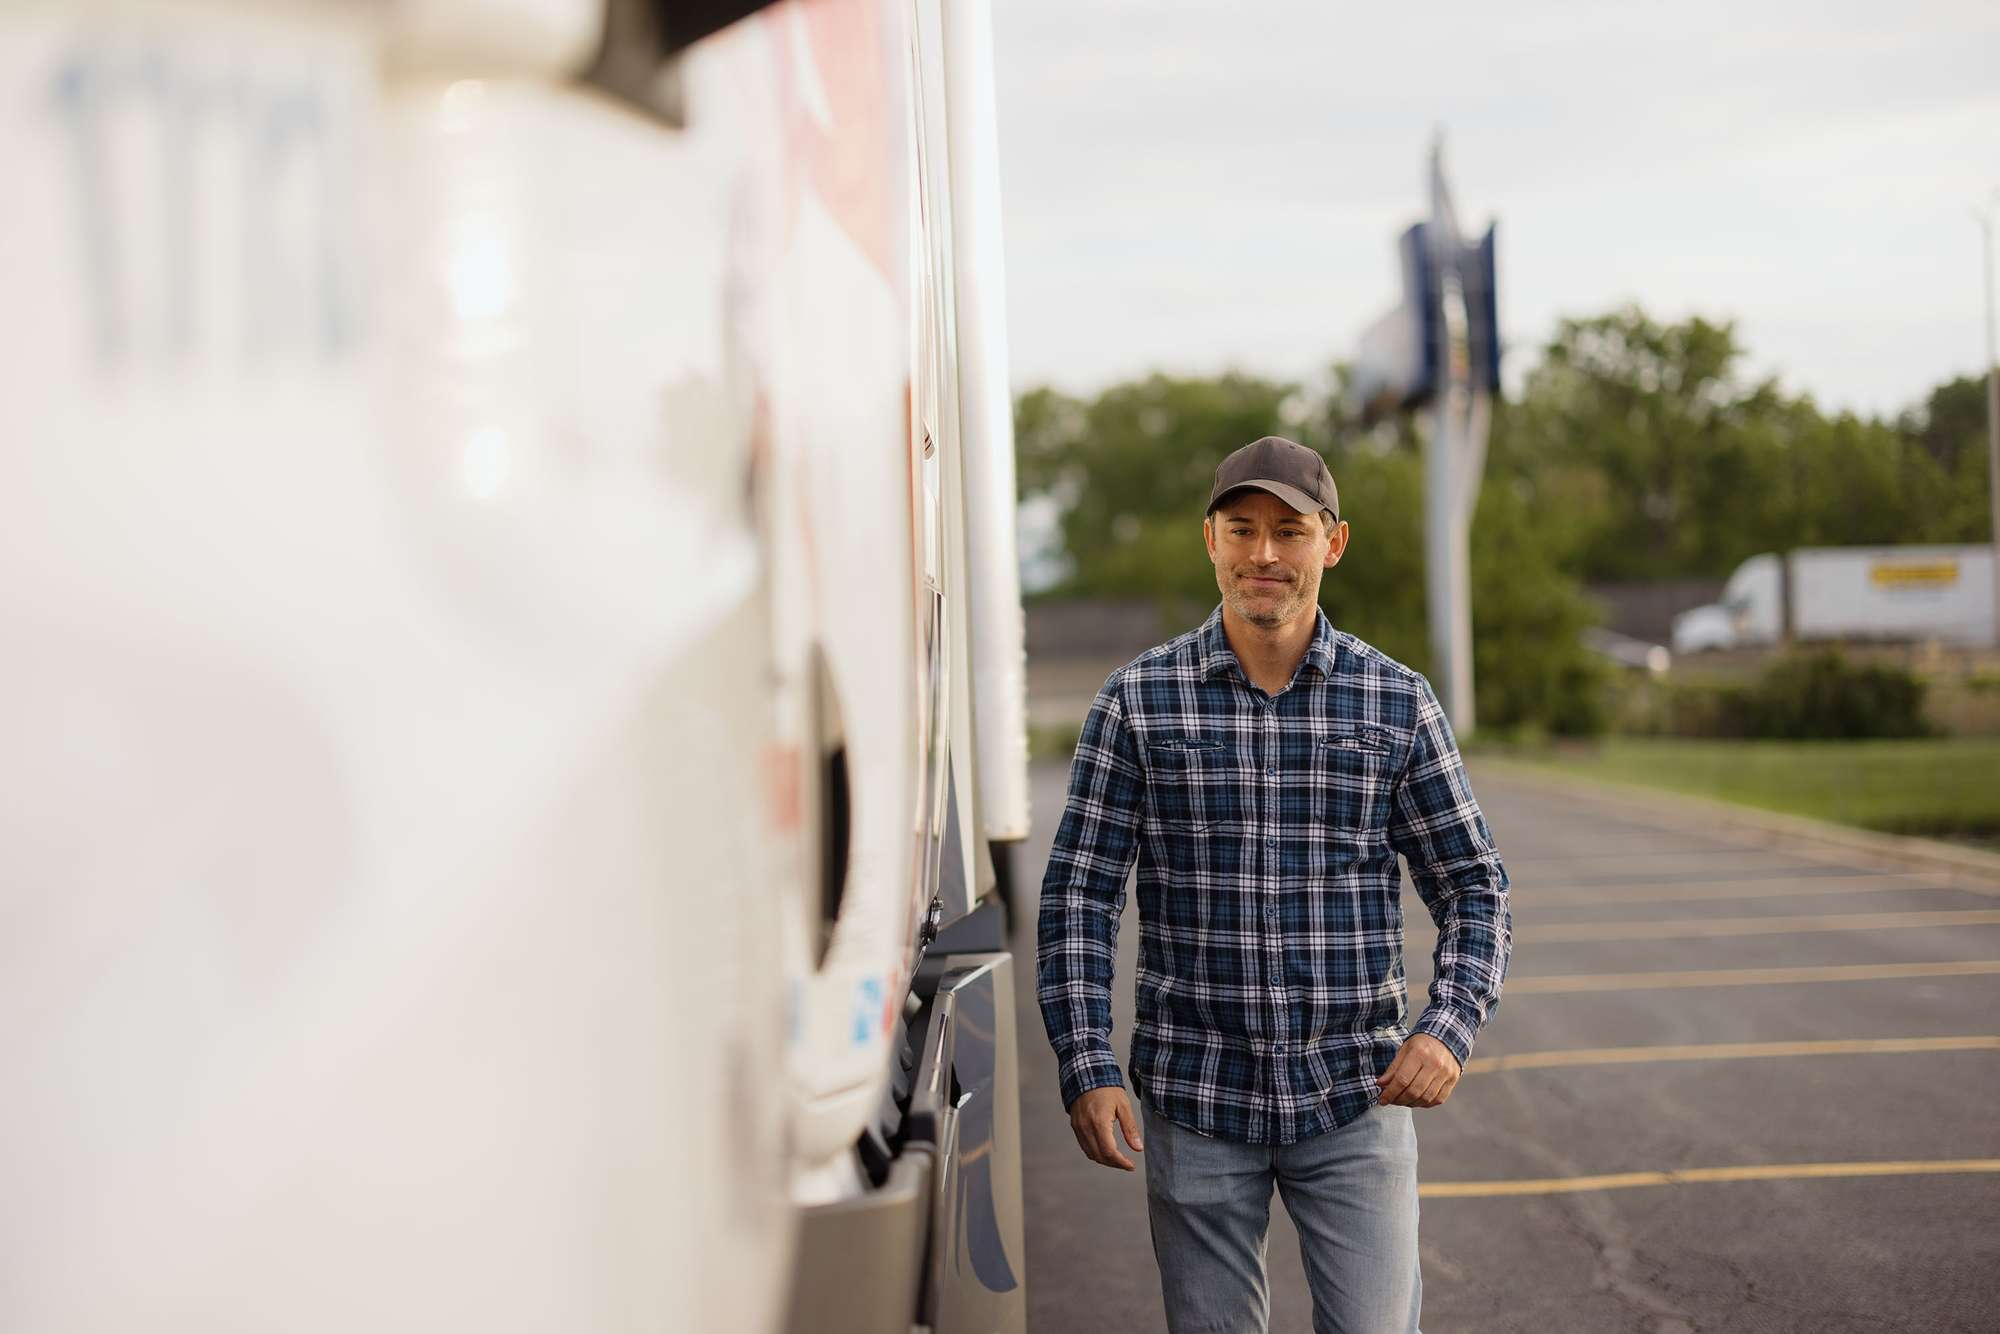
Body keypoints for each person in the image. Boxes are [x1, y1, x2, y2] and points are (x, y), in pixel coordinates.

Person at [1036, 435, 1512, 1334]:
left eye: (1288, 531)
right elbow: (1079, 897)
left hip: (1353, 1098)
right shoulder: (1138, 702)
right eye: (1241, 529)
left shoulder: (1395, 702)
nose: (1264, 554)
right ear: (1208, 540)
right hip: (1198, 1098)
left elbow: (1472, 886)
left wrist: (1449, 1029)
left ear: (1331, 544)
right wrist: (1086, 1060)